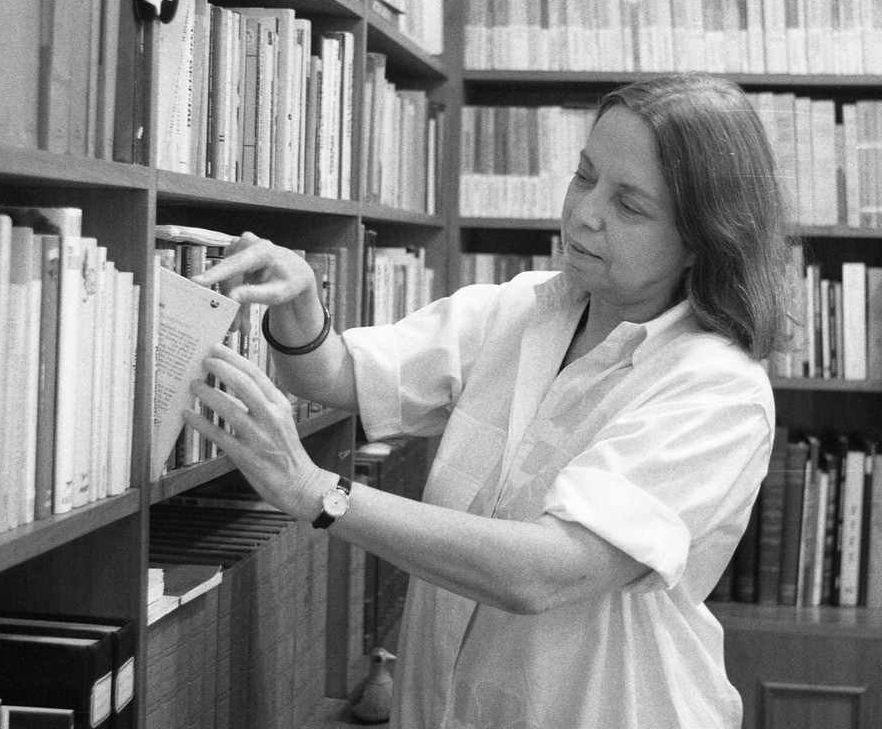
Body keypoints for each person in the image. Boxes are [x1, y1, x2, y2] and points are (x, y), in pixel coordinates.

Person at [186, 73, 789, 729]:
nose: (586, 212)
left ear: (703, 237)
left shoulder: (719, 389)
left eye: (630, 205)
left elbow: (544, 571)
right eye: (584, 176)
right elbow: (336, 378)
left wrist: (318, 493)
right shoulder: (523, 307)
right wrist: (300, 306)